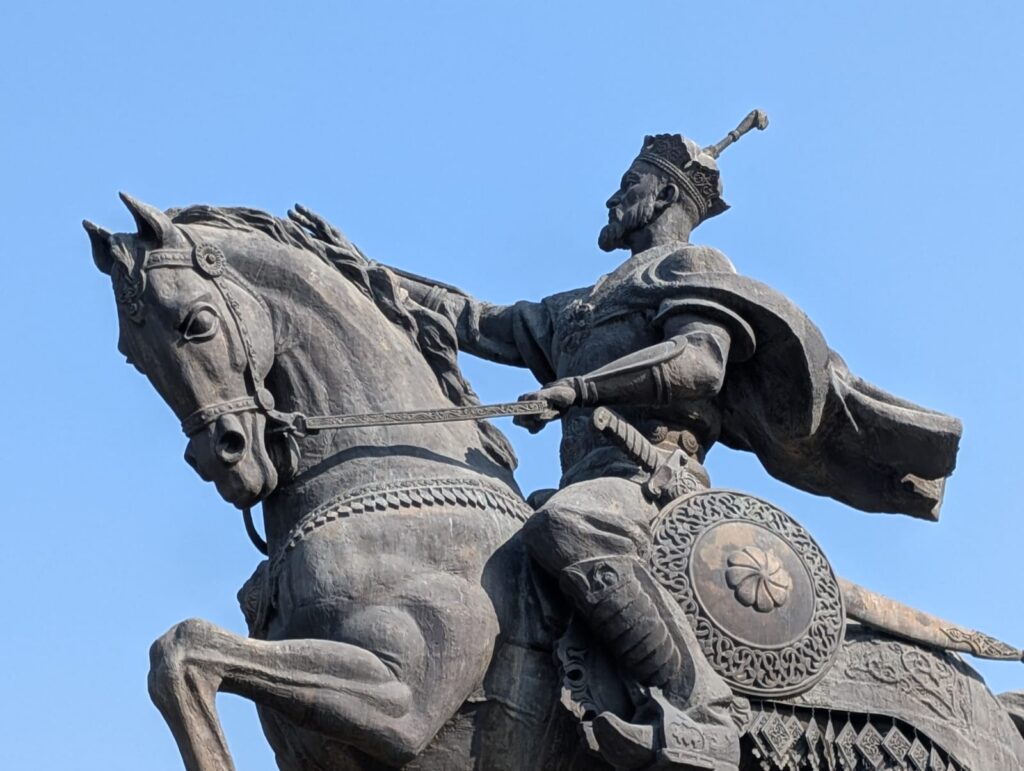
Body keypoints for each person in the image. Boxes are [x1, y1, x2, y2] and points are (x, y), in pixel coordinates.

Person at [395, 113, 961, 769]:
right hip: (587, 479)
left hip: (654, 482)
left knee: (571, 526)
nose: (612, 198)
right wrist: (355, 267)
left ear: (663, 194)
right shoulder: (578, 304)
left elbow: (700, 363)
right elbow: (475, 318)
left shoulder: (695, 265)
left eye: (628, 184)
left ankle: (700, 712)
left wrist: (582, 387)